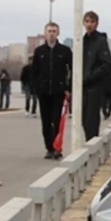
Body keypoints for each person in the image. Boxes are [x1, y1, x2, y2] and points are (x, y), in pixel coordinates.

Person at [31, 22, 72, 159]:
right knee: (46, 121)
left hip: (58, 91)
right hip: (43, 92)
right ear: (45, 33)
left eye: (54, 31)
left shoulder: (65, 51)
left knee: (57, 120)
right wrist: (36, 88)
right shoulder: (39, 51)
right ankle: (48, 147)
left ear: (58, 33)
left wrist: (68, 88)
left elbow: (72, 70)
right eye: (49, 31)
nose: (51, 33)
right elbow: (34, 72)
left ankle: (57, 147)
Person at [82, 11, 111, 140]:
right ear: (83, 23)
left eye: (92, 22)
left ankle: (92, 145)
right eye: (87, 21)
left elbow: (107, 64)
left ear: (97, 24)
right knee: (83, 118)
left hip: (94, 86)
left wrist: (91, 76)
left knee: (91, 119)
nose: (89, 24)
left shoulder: (100, 42)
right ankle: (89, 143)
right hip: (82, 86)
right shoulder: (82, 41)